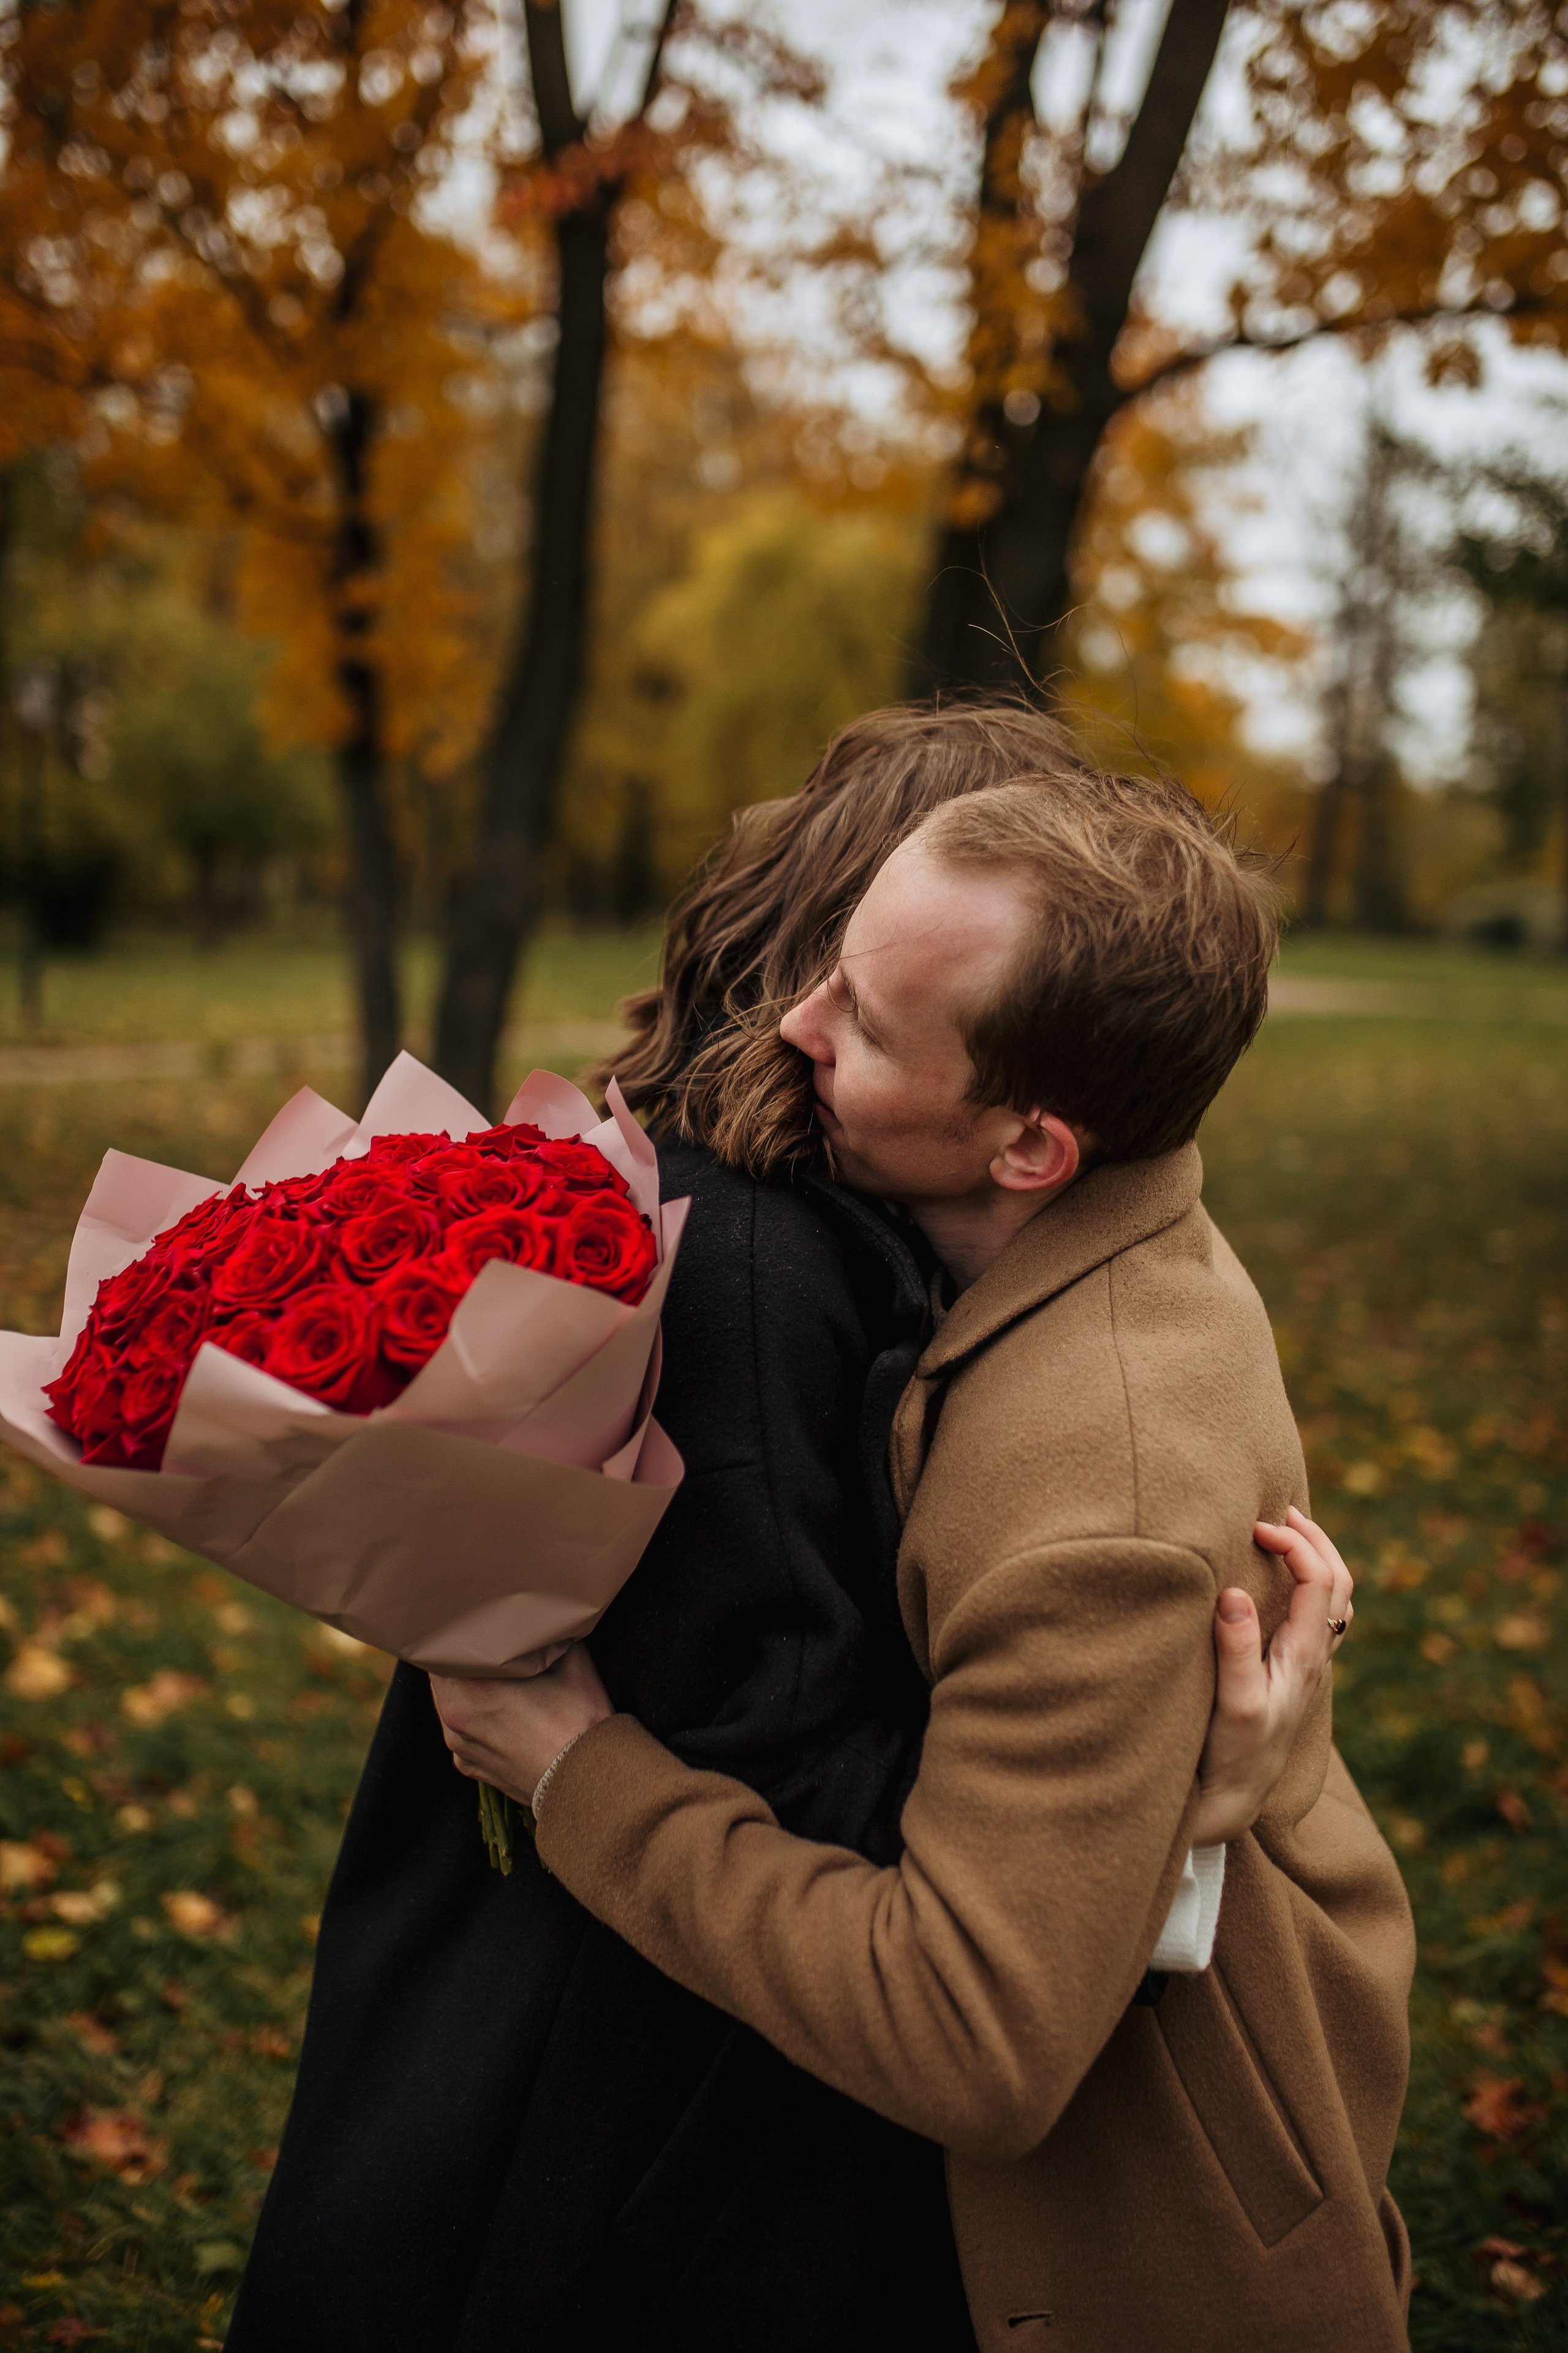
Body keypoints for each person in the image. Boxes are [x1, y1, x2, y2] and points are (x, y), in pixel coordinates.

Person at [230, 704, 1351, 2353]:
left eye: (888, 1004)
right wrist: (1163, 1812)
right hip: (620, 2032)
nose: (822, 1025)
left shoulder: (954, 1281)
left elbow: (932, 1845)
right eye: (854, 963)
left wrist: (1171, 1799)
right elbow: (811, 1751)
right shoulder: (771, 1256)